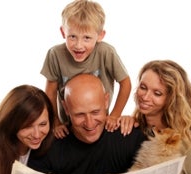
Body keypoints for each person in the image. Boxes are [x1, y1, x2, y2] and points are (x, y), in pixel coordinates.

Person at [0, 74, 185, 174]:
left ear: (106, 101)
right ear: (66, 108)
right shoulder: (48, 146)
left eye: (96, 112)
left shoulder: (130, 135)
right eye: (80, 115)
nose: (89, 124)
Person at [119, 60, 191, 174]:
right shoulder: (137, 126)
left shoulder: (186, 138)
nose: (145, 97)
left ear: (171, 99)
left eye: (157, 93)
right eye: (143, 87)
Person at [41, 0, 131, 138]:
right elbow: (50, 92)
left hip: (99, 124)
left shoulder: (106, 52)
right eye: (72, 37)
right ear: (63, 32)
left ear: (100, 35)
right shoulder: (55, 55)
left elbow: (125, 83)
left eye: (87, 38)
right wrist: (56, 123)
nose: (78, 45)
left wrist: (114, 115)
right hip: (69, 126)